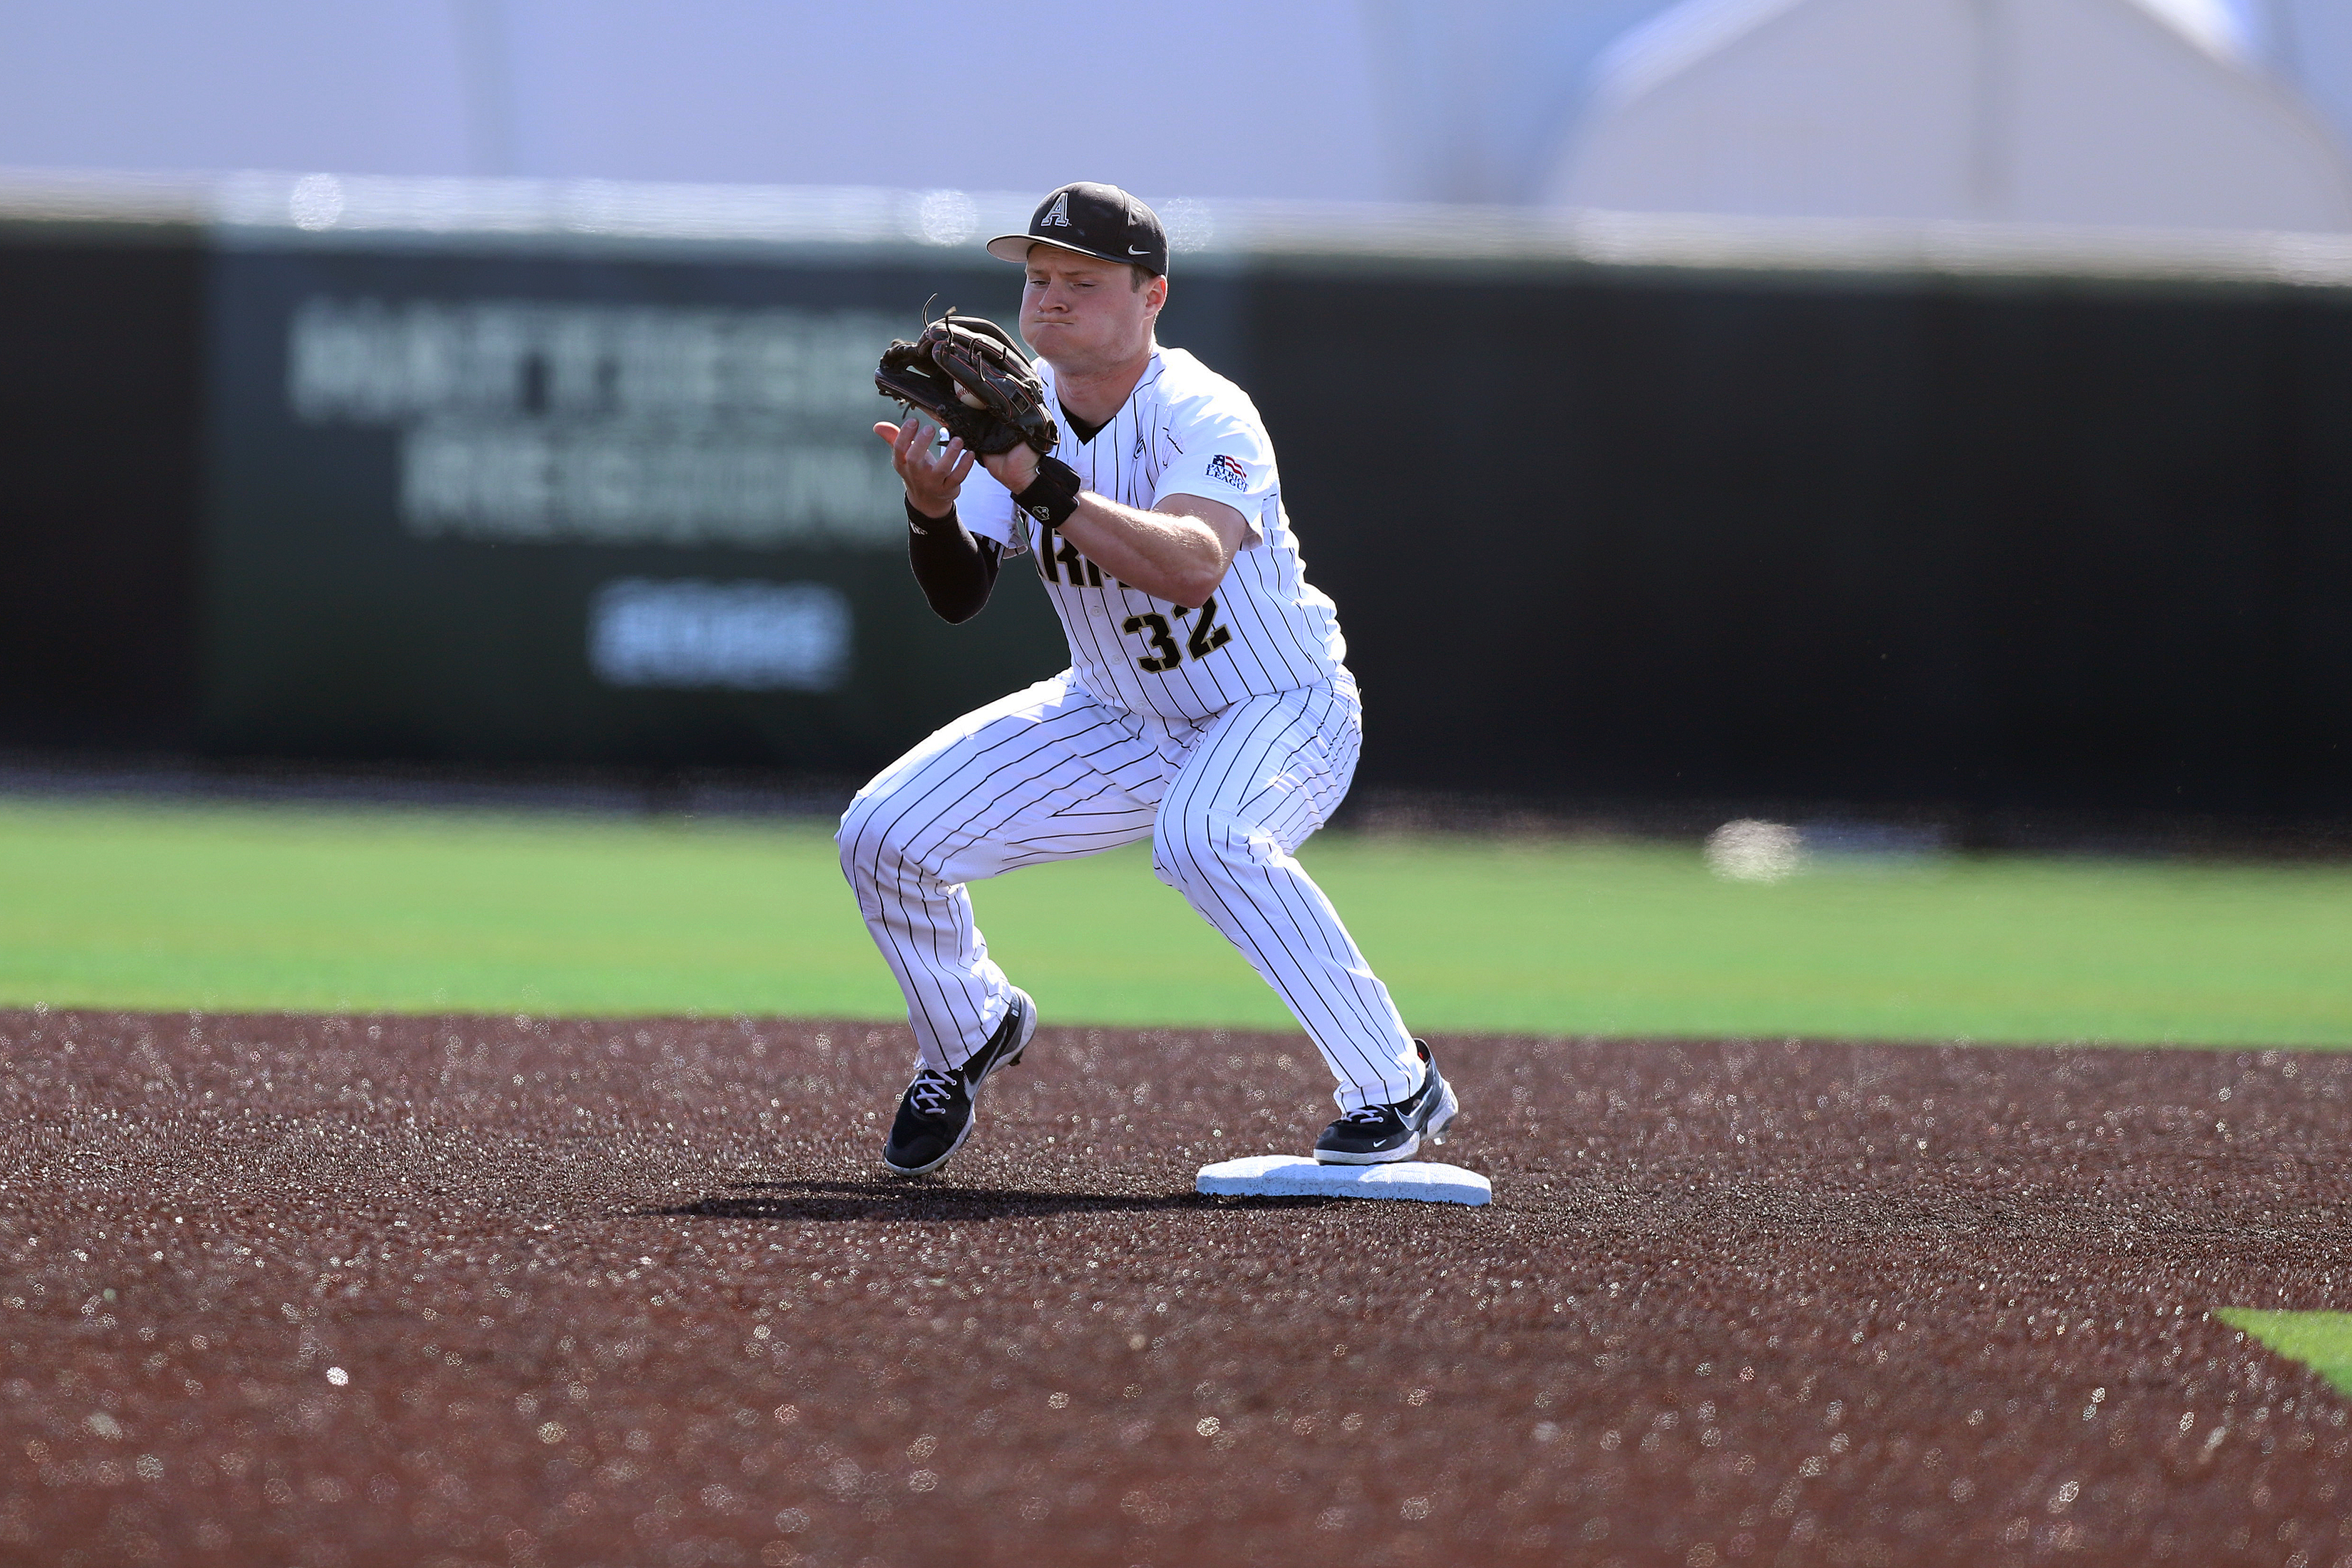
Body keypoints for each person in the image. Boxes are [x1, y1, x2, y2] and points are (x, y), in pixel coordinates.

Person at [840, 181, 1458, 1177]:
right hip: (1117, 713)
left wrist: (1029, 474)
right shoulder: (1021, 415)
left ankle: (1393, 1082)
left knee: (1208, 837)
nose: (1049, 301)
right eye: (1039, 280)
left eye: (1082, 281)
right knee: (883, 835)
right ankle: (970, 1030)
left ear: (1152, 297)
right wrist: (928, 507)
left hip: (1276, 704)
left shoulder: (1204, 410)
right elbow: (959, 596)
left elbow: (1189, 566)